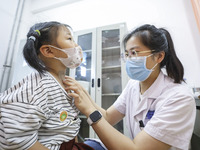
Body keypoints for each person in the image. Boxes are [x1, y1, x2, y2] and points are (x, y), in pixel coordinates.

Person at [64, 24, 196, 150]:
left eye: (135, 52)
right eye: (127, 54)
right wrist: (82, 93)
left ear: (159, 56)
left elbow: (137, 148)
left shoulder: (179, 97)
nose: (129, 59)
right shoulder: (133, 85)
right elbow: (108, 117)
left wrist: (89, 110)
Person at [0, 21, 94, 150]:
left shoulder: (67, 82)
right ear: (49, 51)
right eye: (69, 38)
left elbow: (70, 125)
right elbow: (17, 139)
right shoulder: (37, 87)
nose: (76, 45)